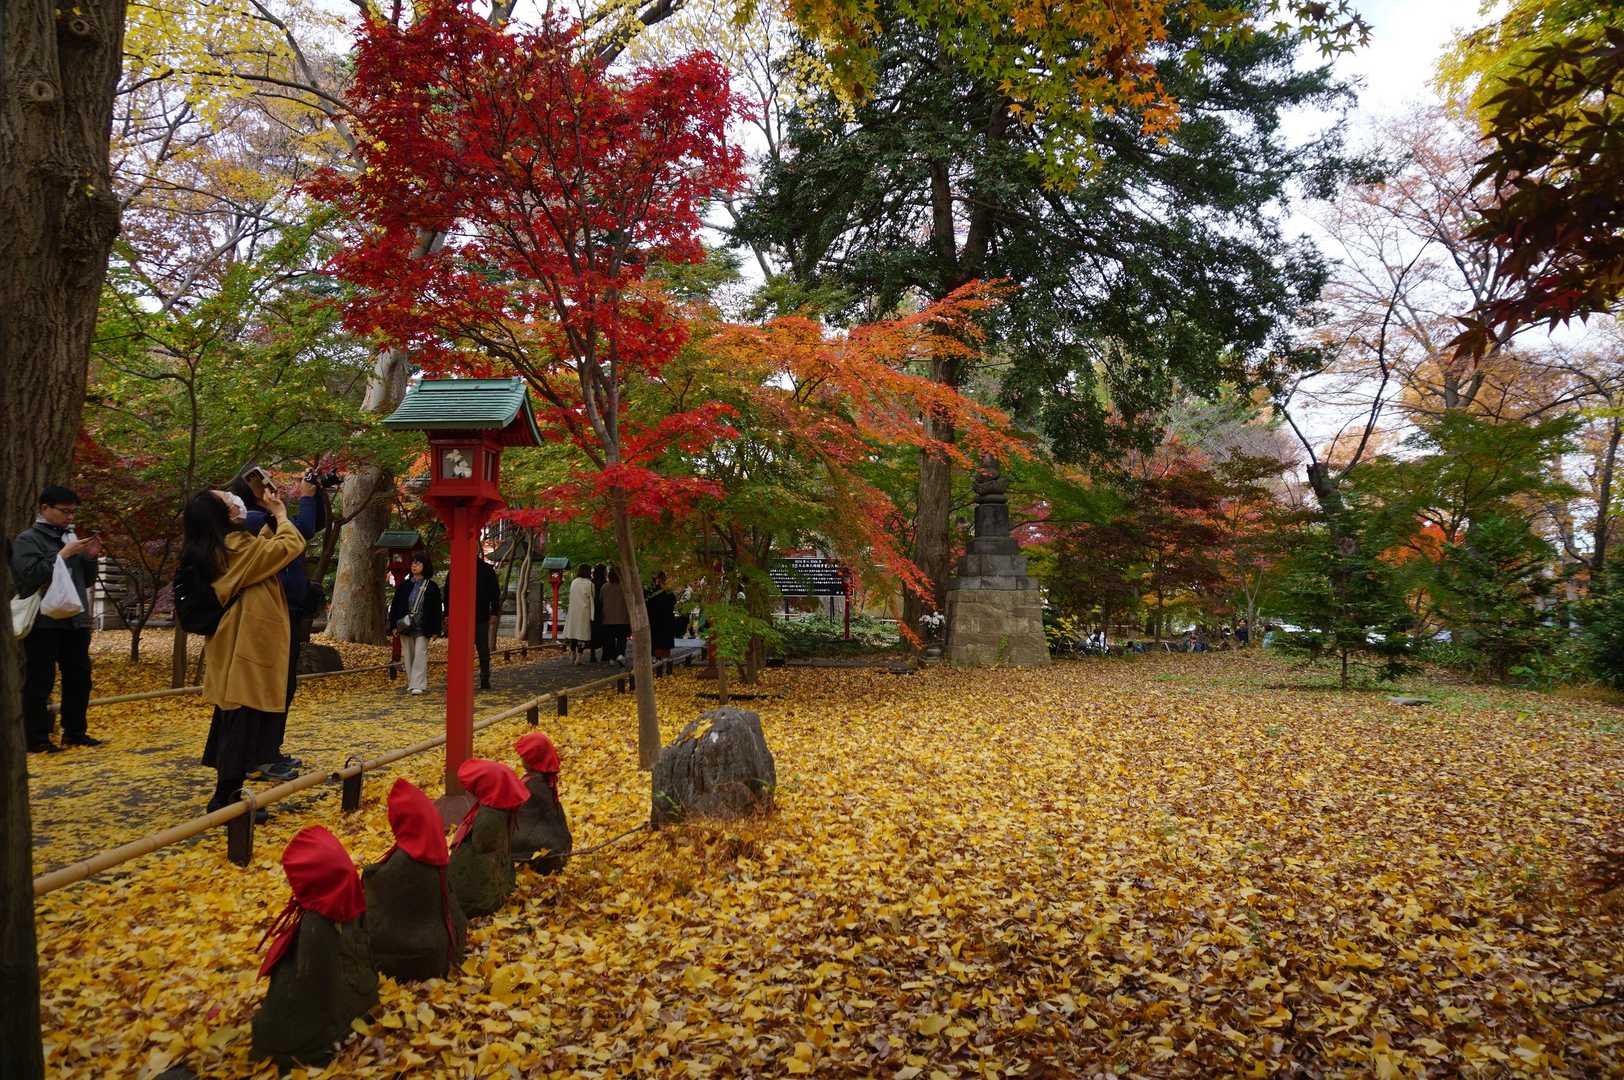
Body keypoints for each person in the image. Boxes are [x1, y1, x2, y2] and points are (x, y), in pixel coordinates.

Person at [184, 486, 306, 815]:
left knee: (235, 718)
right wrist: (281, 514)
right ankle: (226, 800)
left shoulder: (222, 546)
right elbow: (289, 546)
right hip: (243, 643)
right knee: (241, 721)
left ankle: (229, 796)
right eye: (228, 499)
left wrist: (270, 519)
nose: (235, 500)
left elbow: (262, 553)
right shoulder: (234, 546)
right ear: (221, 514)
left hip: (236, 641)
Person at [230, 466, 325, 782]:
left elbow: (313, 525)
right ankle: (259, 755)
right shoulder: (253, 521)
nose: (272, 489)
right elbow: (302, 531)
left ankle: (269, 751)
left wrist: (316, 494)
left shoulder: (266, 519)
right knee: (272, 686)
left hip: (285, 613)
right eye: (264, 486)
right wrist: (305, 498)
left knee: (283, 685)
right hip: (270, 616)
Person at [12, 485, 103, 752]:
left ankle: (75, 732)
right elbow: (29, 576)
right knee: (40, 679)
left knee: (80, 677)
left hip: (75, 619)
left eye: (73, 512)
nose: (70, 517)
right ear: (45, 508)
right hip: (43, 620)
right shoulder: (28, 539)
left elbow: (85, 580)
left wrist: (90, 558)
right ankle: (37, 738)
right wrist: (63, 555)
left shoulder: (70, 537)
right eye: (64, 511)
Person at [445, 555, 502, 690]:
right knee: (462, 649)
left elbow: (495, 593)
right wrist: (447, 613)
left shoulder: (486, 569)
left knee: (482, 648)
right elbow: (447, 592)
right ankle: (461, 677)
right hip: (460, 616)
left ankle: (484, 676)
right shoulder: (456, 568)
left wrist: (494, 612)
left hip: (480, 614)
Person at [388, 555, 443, 694]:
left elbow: (436, 609)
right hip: (405, 625)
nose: (414, 566)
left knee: (420, 653)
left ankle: (418, 684)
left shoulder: (432, 587)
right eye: (413, 563)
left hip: (423, 626)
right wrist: (393, 626)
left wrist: (436, 629)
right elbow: (395, 606)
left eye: (418, 563)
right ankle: (411, 682)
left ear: (425, 566)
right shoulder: (404, 586)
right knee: (408, 655)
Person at [563, 565, 594, 664]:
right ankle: (579, 658)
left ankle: (572, 653)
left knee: (573, 634)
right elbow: (592, 599)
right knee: (582, 635)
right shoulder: (589, 584)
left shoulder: (574, 582)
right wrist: (592, 615)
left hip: (573, 611)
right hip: (584, 612)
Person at [600, 568, 629, 665]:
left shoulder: (604, 587)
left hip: (607, 618)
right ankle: (620, 654)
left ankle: (611, 658)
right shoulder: (624, 587)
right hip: (623, 618)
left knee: (610, 639)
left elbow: (600, 600)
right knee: (622, 638)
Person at [645, 572, 677, 660]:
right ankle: (663, 659)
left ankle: (657, 659)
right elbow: (673, 602)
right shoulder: (668, 592)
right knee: (663, 645)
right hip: (665, 621)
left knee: (657, 643)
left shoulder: (651, 592)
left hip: (655, 622)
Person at [589, 564, 607, 662]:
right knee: (604, 632)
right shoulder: (605, 583)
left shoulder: (591, 583)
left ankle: (592, 654)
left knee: (593, 632)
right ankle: (604, 655)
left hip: (592, 610)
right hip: (603, 610)